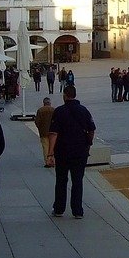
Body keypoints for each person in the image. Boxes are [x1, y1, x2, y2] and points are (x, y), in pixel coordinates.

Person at [48, 84, 96, 218]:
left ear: (64, 95)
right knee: (77, 181)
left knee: (61, 180)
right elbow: (91, 130)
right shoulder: (84, 110)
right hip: (80, 151)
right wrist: (88, 144)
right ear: (75, 95)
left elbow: (53, 133)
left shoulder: (59, 111)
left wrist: (50, 153)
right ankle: (77, 210)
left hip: (62, 151)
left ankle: (59, 209)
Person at [34, 96, 55, 167]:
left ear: (43, 103)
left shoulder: (40, 110)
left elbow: (37, 121)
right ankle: (53, 161)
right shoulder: (53, 110)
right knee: (53, 147)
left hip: (43, 132)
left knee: (45, 147)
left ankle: (47, 162)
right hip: (53, 132)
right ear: (50, 103)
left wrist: (40, 128)